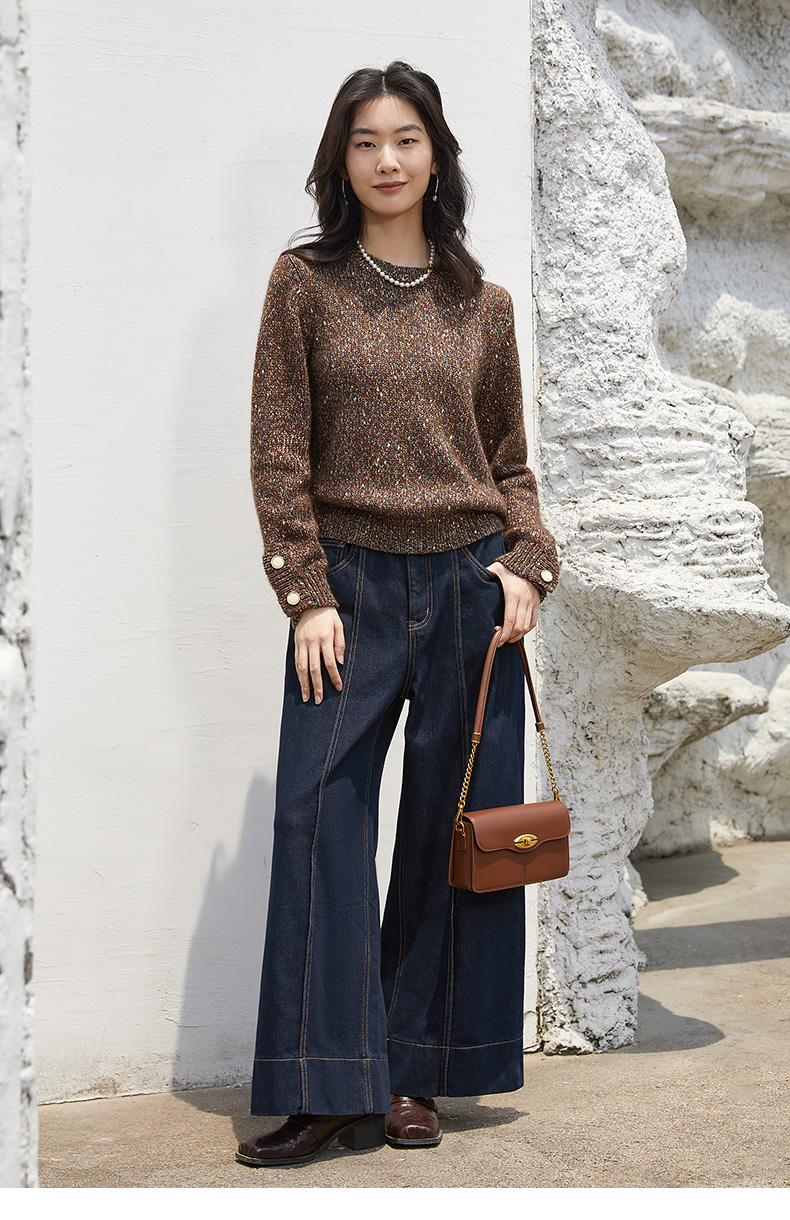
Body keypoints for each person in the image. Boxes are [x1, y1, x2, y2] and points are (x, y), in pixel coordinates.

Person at [237, 60, 560, 1169]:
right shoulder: (304, 284)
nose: (387, 159)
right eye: (366, 140)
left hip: (471, 590)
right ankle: (329, 1085)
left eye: (406, 139)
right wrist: (305, 593)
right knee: (317, 820)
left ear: (435, 154)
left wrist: (528, 566)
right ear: (342, 159)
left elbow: (509, 462)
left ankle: (418, 1071)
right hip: (352, 591)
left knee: (446, 828)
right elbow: (278, 449)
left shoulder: (484, 303)